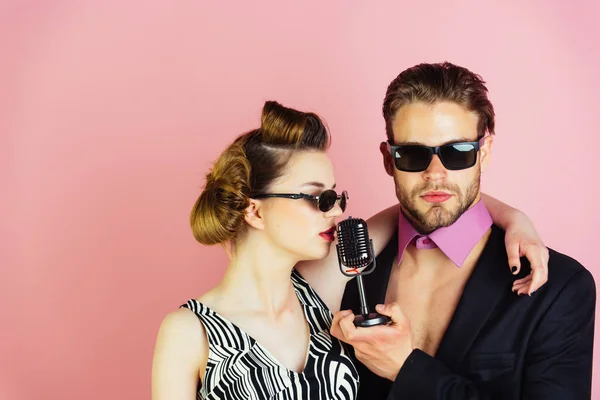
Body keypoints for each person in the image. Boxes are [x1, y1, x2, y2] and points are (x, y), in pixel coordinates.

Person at [151, 100, 550, 400]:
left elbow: (427, 202)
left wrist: (515, 219)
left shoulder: (321, 298)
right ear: (254, 209)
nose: (338, 210)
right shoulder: (188, 332)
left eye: (336, 196)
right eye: (317, 198)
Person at [330, 62, 596, 399]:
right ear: (388, 159)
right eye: (413, 155)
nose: (435, 173)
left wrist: (407, 370)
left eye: (457, 153)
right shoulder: (350, 274)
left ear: (483, 153)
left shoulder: (558, 287)